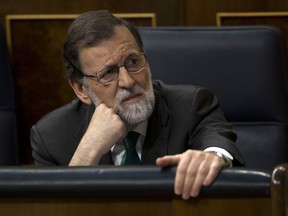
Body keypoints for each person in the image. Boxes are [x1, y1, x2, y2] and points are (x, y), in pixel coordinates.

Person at [31, 10, 244, 200]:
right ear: (81, 89)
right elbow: (55, 208)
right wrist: (89, 151)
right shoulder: (51, 137)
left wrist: (212, 158)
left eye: (133, 62)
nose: (128, 81)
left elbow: (218, 144)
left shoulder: (191, 105)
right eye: (108, 73)